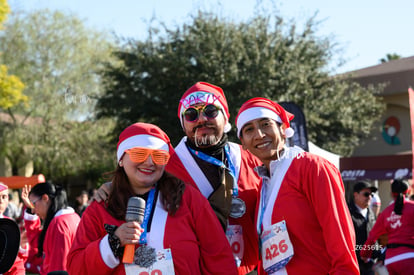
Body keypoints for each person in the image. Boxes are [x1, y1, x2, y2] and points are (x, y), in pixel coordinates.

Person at [96, 82, 262, 274]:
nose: (201, 119)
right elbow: (136, 179)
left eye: (210, 111)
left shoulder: (250, 157)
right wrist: (114, 185)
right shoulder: (166, 165)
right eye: (191, 114)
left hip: (249, 268)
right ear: (183, 124)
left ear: (226, 118)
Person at [68, 122, 237, 275]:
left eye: (159, 156)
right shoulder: (102, 206)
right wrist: (112, 243)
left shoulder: (189, 199)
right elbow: (76, 268)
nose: (149, 162)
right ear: (121, 159)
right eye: (139, 154)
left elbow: (219, 257)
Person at [235, 97, 359, 274]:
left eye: (266, 124)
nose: (259, 134)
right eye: (249, 129)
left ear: (283, 128)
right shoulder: (263, 184)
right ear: (244, 144)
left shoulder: (313, 167)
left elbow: (340, 238)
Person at [21, 181, 80, 275]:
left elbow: (59, 269)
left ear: (45, 198)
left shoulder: (59, 224)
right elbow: (40, 243)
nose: (33, 209)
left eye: (33, 204)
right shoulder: (73, 217)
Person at [361, 179, 414, 275]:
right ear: (408, 191)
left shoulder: (385, 213)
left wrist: (364, 254)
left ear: (391, 193)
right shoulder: (412, 207)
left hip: (389, 261)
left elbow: (372, 237)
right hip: (409, 258)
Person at [348, 180, 382, 275]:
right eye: (366, 194)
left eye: (371, 195)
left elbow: (375, 237)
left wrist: (378, 254)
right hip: (354, 264)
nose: (370, 197)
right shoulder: (347, 213)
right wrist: (360, 254)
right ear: (356, 194)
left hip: (371, 264)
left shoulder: (371, 213)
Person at [0, 182, 27, 275]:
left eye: (4, 197)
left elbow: (16, 261)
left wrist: (22, 245)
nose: (1, 201)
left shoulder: (9, 224)